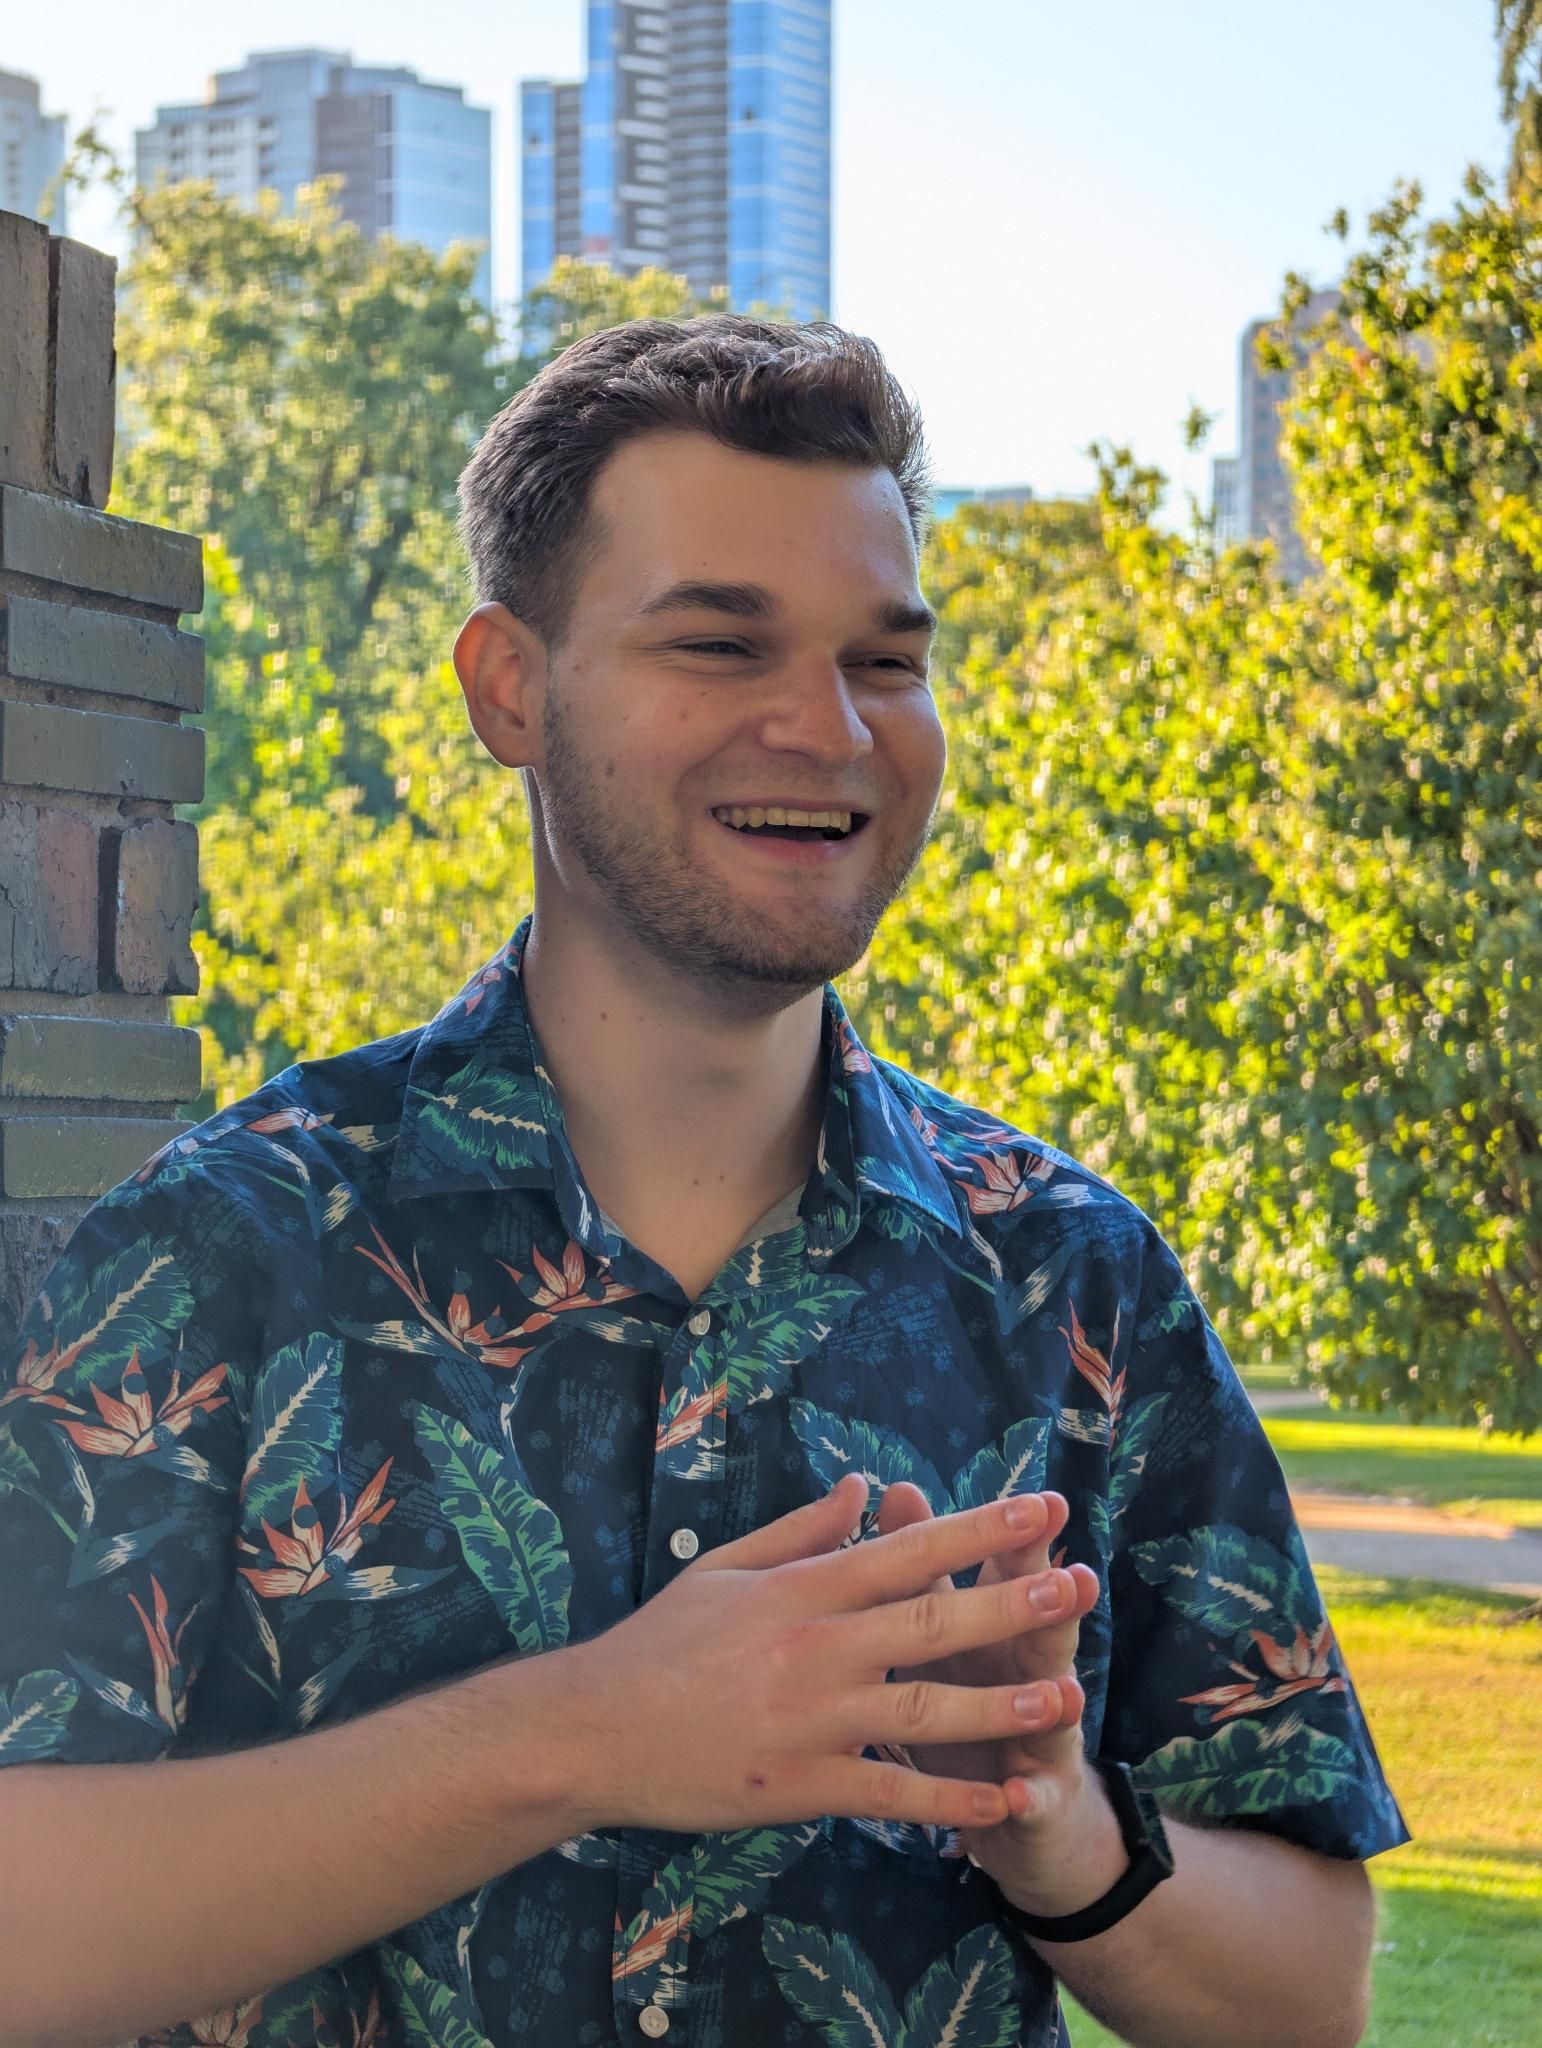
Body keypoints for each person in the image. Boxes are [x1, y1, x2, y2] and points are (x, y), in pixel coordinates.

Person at [0, 315, 1407, 2048]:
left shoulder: (1073, 1281)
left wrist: (1058, 1825)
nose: (825, 727)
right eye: (719, 643)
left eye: (883, 660)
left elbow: (1306, 2000)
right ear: (508, 688)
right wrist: (583, 1734)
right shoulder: (218, 1247)